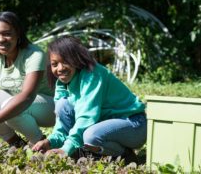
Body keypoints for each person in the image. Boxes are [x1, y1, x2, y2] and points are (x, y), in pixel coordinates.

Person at [32, 35, 147, 164]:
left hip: (133, 124)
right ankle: (79, 152)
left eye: (65, 61)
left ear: (76, 59)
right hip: (105, 124)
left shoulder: (92, 74)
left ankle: (125, 155)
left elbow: (87, 116)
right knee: (63, 105)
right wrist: (50, 141)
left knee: (91, 136)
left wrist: (66, 148)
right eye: (54, 64)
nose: (60, 68)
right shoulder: (62, 83)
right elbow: (61, 122)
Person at [0, 11, 55, 147]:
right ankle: (17, 145)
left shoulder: (34, 55)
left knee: (12, 104)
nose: (1, 39)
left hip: (52, 108)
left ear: (18, 34)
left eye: (7, 34)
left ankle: (43, 144)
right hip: (21, 105)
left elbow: (27, 96)